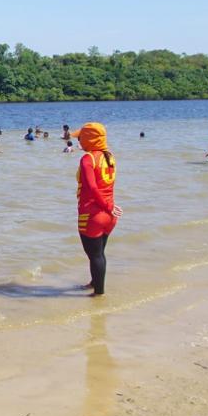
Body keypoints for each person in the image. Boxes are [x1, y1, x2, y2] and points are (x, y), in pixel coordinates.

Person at [73, 123, 122, 297]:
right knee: (99, 253)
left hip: (92, 214)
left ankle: (98, 294)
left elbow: (92, 188)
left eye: (81, 137)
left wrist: (106, 206)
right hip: (109, 215)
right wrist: (110, 207)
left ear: (89, 139)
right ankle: (94, 283)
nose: (79, 140)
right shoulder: (109, 156)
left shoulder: (87, 158)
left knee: (95, 256)